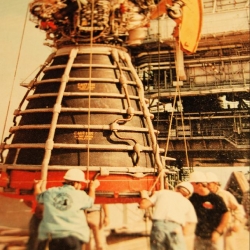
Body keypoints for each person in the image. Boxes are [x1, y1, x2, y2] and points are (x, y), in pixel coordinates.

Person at [34, 168, 100, 250]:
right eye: (80, 184)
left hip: (55, 239)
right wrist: (92, 188)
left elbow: (38, 197)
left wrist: (37, 186)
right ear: (76, 183)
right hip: (74, 237)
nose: (80, 186)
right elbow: (90, 201)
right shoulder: (80, 195)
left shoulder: (50, 192)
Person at [139, 181, 197, 250]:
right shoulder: (188, 203)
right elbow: (191, 223)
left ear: (175, 189)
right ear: (188, 195)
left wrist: (144, 195)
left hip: (158, 227)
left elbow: (143, 205)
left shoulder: (162, 193)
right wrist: (181, 233)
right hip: (175, 228)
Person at [188, 171, 229, 250]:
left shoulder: (216, 199)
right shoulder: (192, 198)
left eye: (191, 184)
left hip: (214, 236)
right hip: (198, 237)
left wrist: (218, 231)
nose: (190, 186)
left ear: (199, 184)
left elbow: (226, 214)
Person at [206, 171, 245, 250]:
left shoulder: (226, 195)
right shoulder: (205, 196)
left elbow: (239, 209)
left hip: (226, 230)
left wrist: (237, 223)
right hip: (211, 229)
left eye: (209, 184)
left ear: (215, 183)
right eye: (205, 184)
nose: (207, 186)